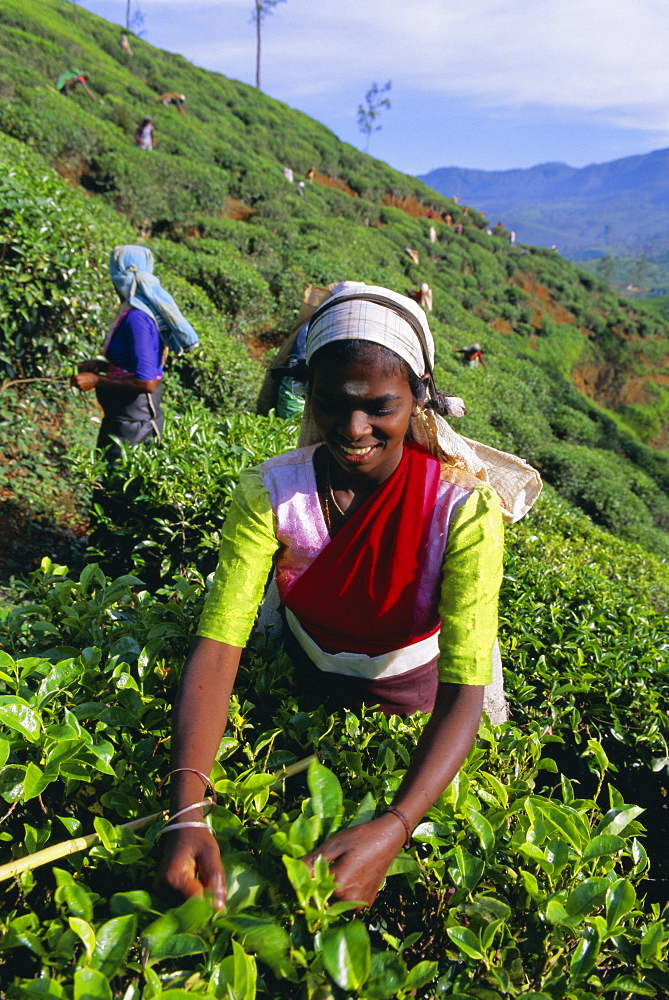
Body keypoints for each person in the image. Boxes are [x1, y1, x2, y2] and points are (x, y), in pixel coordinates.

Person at [157, 282, 541, 910]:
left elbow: (465, 684)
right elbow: (220, 644)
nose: (354, 428)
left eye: (379, 406)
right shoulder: (272, 495)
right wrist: (186, 812)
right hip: (308, 678)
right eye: (333, 403)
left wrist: (395, 825)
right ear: (309, 393)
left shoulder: (461, 510)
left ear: (419, 394)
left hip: (418, 702)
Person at [72, 245, 198, 464]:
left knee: (115, 492)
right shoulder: (134, 312)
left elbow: (147, 382)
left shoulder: (138, 319)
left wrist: (97, 380)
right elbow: (134, 364)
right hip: (124, 421)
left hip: (134, 429)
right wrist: (101, 366)